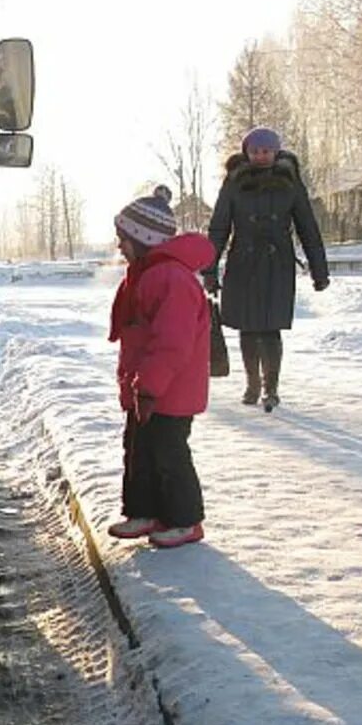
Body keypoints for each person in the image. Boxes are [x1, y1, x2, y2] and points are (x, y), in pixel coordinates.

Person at [107, 186, 216, 549]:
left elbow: (172, 342)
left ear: (143, 239)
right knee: (139, 449)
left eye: (123, 239)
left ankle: (185, 519)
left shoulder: (169, 278)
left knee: (169, 454)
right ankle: (144, 511)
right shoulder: (146, 273)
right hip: (148, 387)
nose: (119, 246)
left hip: (169, 389)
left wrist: (150, 385)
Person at [203, 127, 329, 411]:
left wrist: (319, 271)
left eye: (267, 151)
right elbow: (219, 227)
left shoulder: (290, 183)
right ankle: (252, 383)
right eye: (256, 151)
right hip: (243, 264)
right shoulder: (234, 182)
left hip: (277, 264)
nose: (261, 156)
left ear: (276, 152)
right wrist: (209, 269)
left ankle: (271, 388)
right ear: (247, 153)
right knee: (247, 328)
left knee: (271, 328)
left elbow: (308, 227)